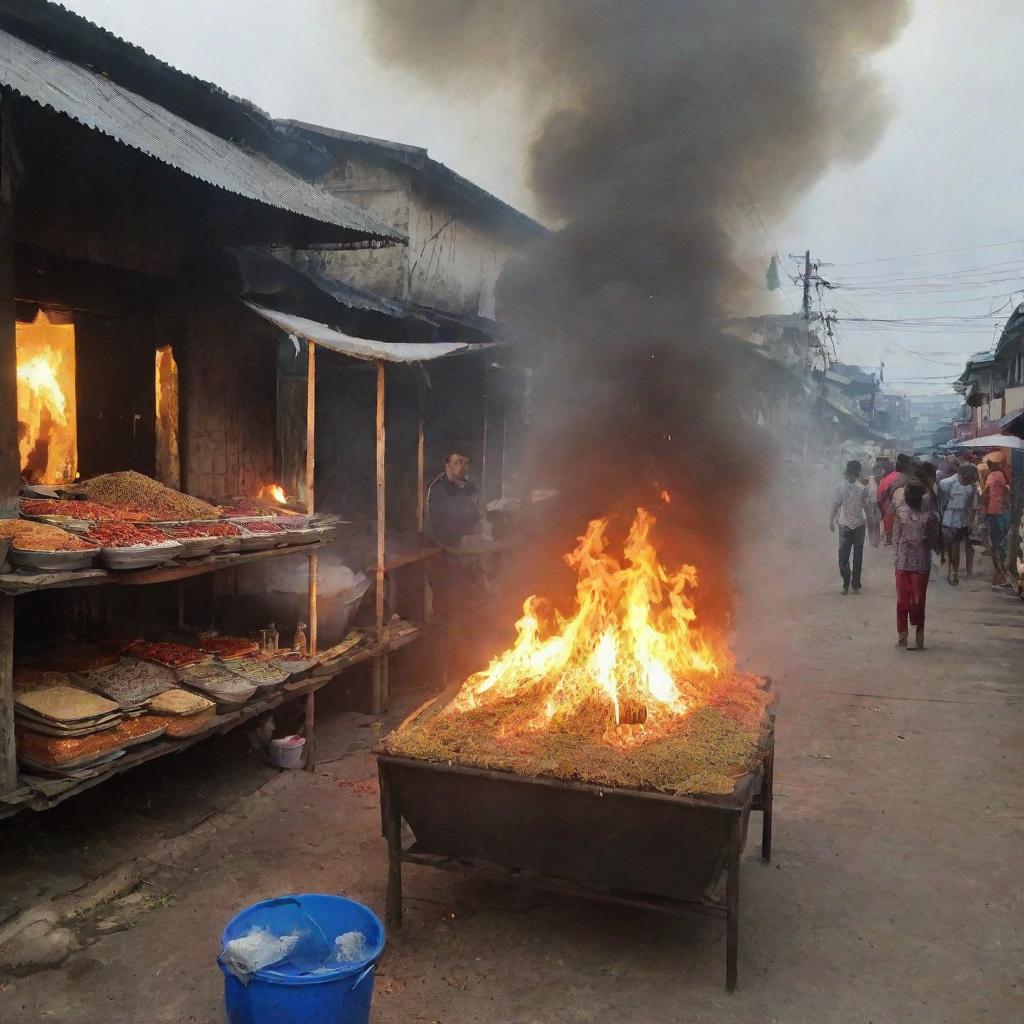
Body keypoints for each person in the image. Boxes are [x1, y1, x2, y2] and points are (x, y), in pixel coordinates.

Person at [893, 482, 940, 650]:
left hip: (905, 562)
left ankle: (904, 635)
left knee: (903, 602)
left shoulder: (903, 513)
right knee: (917, 601)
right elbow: (934, 540)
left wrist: (896, 559)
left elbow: (895, 539)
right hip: (918, 563)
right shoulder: (929, 517)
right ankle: (916, 636)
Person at [829, 459, 868, 595]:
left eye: (854, 474)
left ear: (857, 474)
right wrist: (831, 520)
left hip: (858, 525)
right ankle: (847, 581)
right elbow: (836, 505)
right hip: (846, 524)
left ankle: (854, 584)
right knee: (843, 556)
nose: (852, 476)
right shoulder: (840, 487)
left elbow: (865, 505)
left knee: (857, 556)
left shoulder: (863, 488)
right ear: (847, 473)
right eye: (850, 474)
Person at [938, 463, 978, 585]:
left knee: (968, 545)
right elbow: (942, 503)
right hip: (950, 519)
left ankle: (968, 571)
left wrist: (971, 519)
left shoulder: (972, 486)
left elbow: (971, 504)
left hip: (966, 518)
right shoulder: (946, 483)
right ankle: (954, 571)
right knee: (953, 546)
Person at [981, 451, 1011, 587]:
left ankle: (999, 572)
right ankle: (1000, 572)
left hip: (994, 511)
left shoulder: (994, 475)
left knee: (996, 543)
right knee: (999, 543)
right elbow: (1005, 491)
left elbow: (988, 493)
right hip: (997, 511)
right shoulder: (996, 475)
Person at [877, 453, 911, 545]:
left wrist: (881, 507)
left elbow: (881, 496)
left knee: (891, 522)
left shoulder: (885, 479)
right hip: (902, 506)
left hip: (890, 506)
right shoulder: (903, 476)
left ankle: (890, 539)